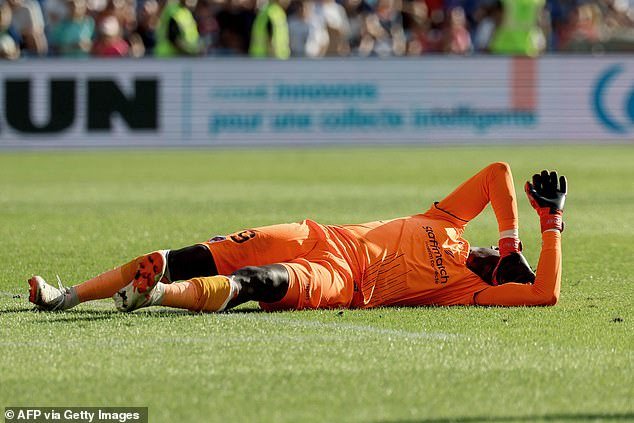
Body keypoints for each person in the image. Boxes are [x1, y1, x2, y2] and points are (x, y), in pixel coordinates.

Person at [28, 163, 566, 313]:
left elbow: (545, 293)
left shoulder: (462, 289)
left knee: (255, 283)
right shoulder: (448, 221)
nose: (492, 259)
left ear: (492, 279)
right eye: (498, 256)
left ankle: (156, 295)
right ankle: (65, 296)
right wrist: (517, 240)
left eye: (499, 267)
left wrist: (552, 227)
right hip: (314, 235)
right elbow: (498, 172)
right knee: (187, 255)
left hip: (342, 279)